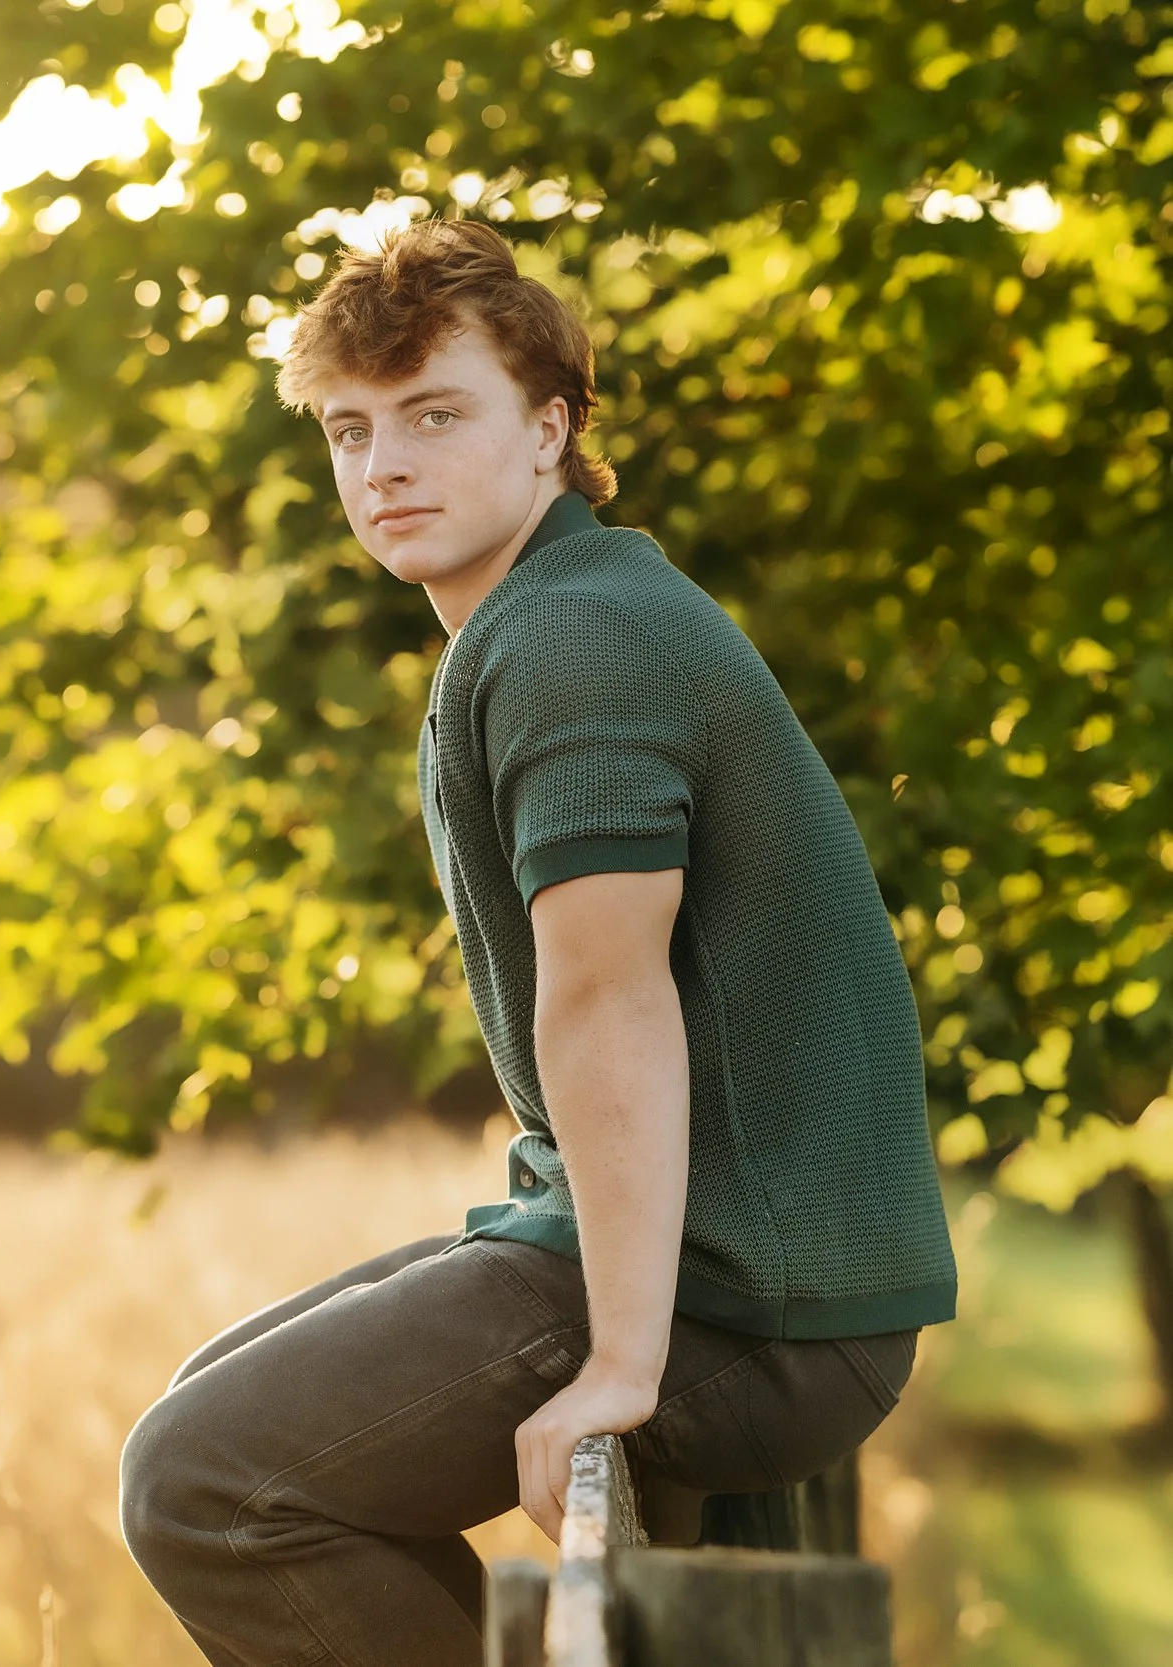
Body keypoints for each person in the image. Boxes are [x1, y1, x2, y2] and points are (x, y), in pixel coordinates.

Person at [115, 218, 956, 1667]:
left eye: (436, 417)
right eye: (349, 428)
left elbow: (611, 1000)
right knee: (210, 1404)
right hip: (743, 1266)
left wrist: (622, 1365)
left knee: (207, 1484)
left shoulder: (571, 641)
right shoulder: (550, 614)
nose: (383, 467)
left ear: (551, 427)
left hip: (748, 1298)